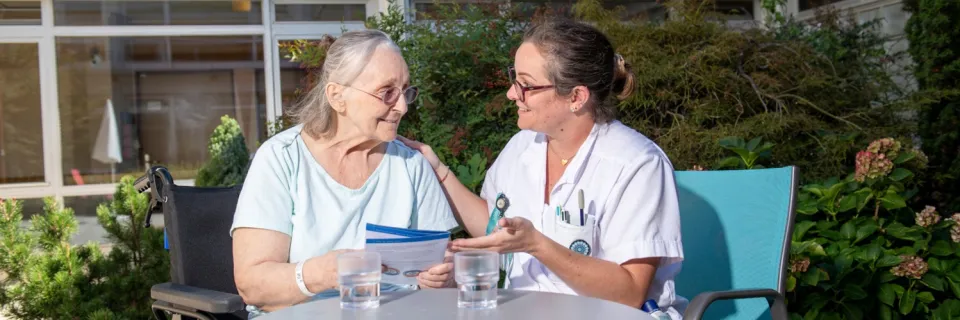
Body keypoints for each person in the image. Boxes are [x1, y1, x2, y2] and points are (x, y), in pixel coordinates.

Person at [400, 19, 686, 318]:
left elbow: (628, 293)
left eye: (526, 85)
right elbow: (495, 225)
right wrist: (438, 170)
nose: (512, 94)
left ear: (576, 97)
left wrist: (536, 245)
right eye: (514, 79)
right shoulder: (523, 146)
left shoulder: (637, 165)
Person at [230, 30, 459, 317]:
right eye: (387, 92)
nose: (402, 107)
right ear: (337, 96)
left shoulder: (412, 165)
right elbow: (253, 286)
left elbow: (446, 277)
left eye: (405, 91)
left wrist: (445, 278)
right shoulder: (281, 158)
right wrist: (325, 274)